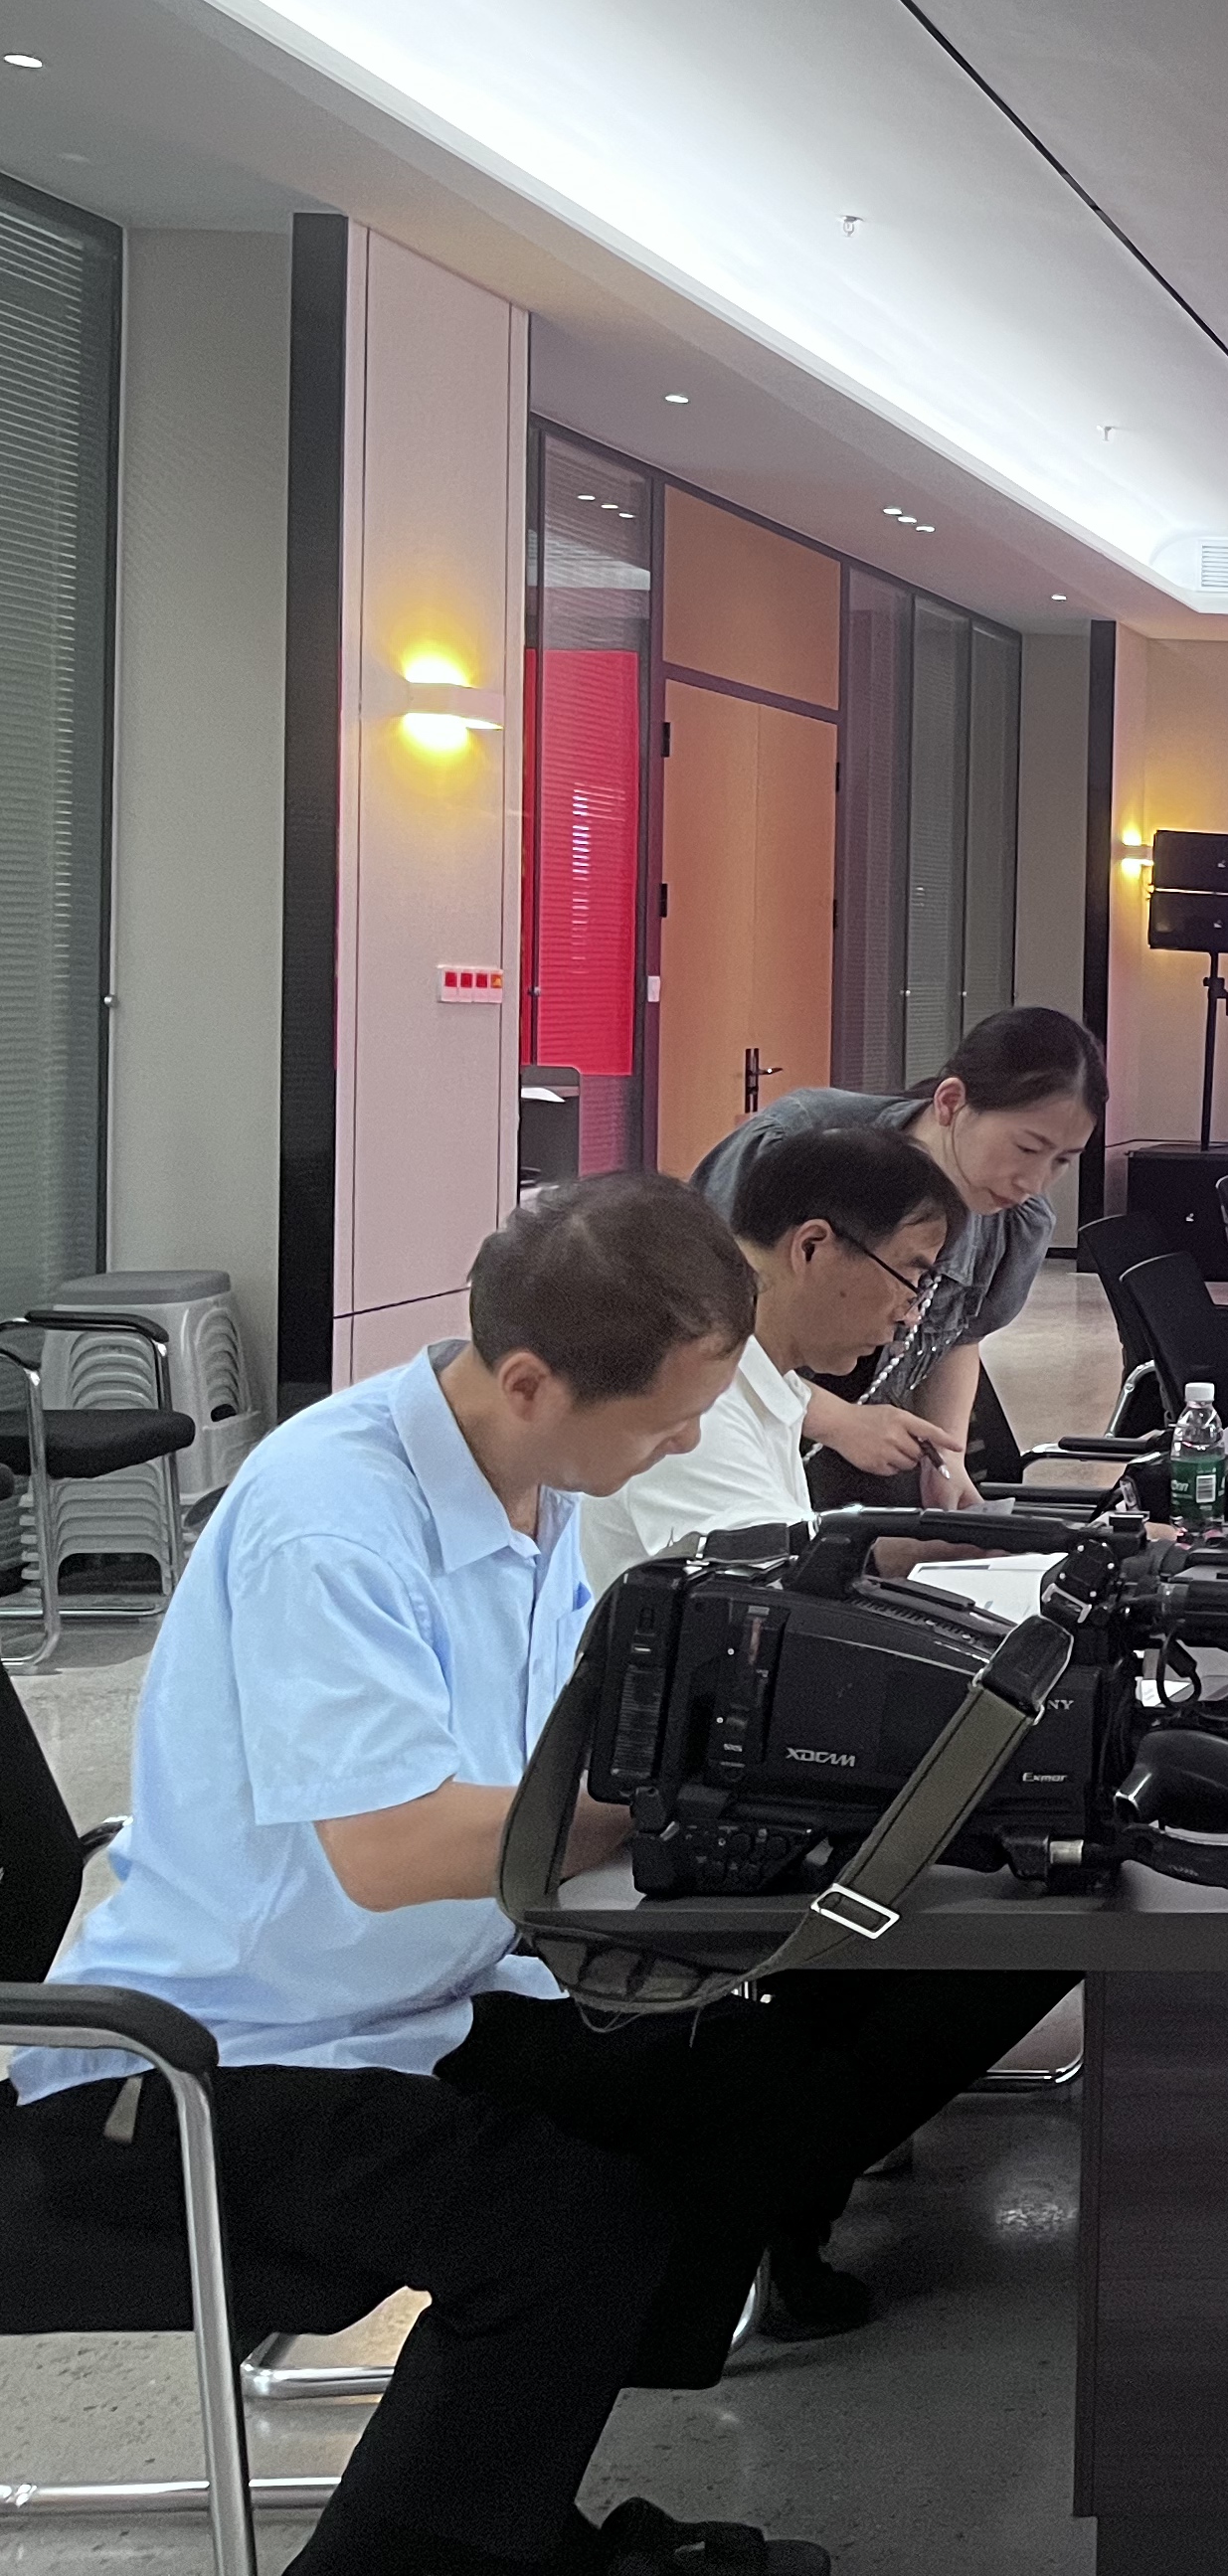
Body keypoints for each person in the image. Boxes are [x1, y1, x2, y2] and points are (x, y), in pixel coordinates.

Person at [13, 1177, 1069, 2576]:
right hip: (214, 2058)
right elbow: (394, 1848)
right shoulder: (331, 1522)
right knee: (563, 2230)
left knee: (749, 2083)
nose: (686, 1443)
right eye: (667, 1421)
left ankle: (504, 2515)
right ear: (530, 1381)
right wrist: (651, 1806)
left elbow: (545, 1762)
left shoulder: (530, 1475)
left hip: (418, 2000)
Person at [689, 1003, 1104, 1506]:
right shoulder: (799, 1142)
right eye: (1027, 1148)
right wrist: (837, 1422)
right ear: (951, 1101)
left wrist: (945, 1459)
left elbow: (958, 1337)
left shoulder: (1015, 1220)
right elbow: (687, 1320)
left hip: (861, 1447)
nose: (1034, 1182)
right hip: (722, 1430)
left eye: (1062, 1161)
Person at [578, 1124, 962, 1593]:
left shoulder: (766, 1376)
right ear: (811, 1248)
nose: (911, 1314)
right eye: (908, 1277)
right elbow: (763, 1594)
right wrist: (923, 1550)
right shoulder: (695, 1400)